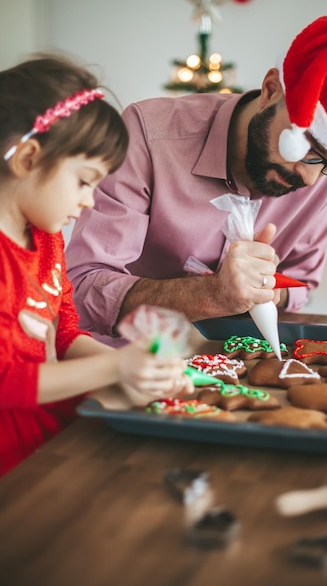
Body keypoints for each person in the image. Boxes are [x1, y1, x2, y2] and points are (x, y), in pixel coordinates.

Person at [66, 15, 327, 347]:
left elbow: (301, 286)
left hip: (252, 365)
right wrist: (213, 294)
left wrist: (265, 287)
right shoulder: (149, 135)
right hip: (131, 365)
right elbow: (83, 287)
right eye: (306, 149)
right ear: (271, 91)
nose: (310, 177)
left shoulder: (324, 174)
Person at [0, 54, 192, 477]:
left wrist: (137, 368)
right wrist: (113, 365)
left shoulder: (45, 236)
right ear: (28, 159)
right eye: (84, 181)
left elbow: (65, 331)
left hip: (53, 437)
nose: (89, 201)